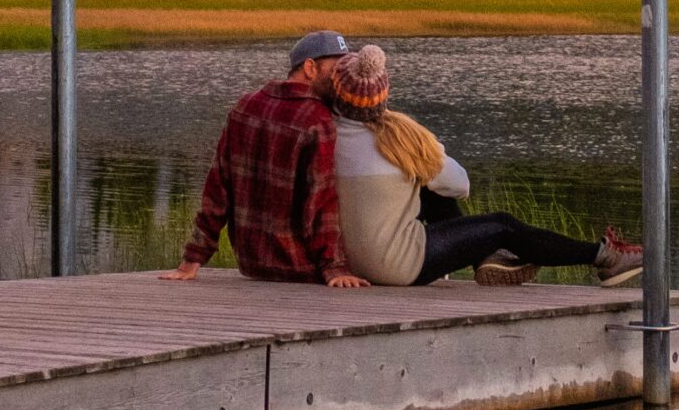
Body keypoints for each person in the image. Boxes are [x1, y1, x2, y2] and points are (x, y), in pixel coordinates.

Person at [325, 42, 643, 288]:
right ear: (383, 94)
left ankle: (487, 258)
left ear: (336, 92)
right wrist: (426, 153)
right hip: (397, 267)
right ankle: (602, 257)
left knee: (427, 188)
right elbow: (460, 185)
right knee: (501, 225)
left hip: (344, 264)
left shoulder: (321, 134)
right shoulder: (402, 139)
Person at [162, 30, 369, 287]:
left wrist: (192, 259)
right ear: (310, 68)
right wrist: (335, 268)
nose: (342, 78)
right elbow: (320, 203)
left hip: (251, 264)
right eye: (337, 69)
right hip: (300, 266)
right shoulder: (318, 121)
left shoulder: (245, 106)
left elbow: (218, 187)